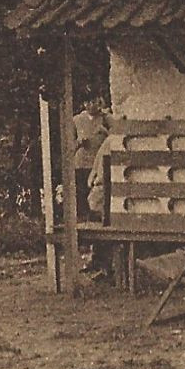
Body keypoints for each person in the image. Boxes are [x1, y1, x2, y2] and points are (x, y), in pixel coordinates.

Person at [70, 99, 111, 278]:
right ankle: (86, 255)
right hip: (82, 167)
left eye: (94, 101)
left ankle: (99, 256)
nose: (90, 105)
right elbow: (67, 147)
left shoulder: (106, 118)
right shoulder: (76, 120)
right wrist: (79, 142)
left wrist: (107, 132)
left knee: (98, 212)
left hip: (101, 169)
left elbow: (115, 139)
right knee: (84, 211)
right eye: (87, 102)